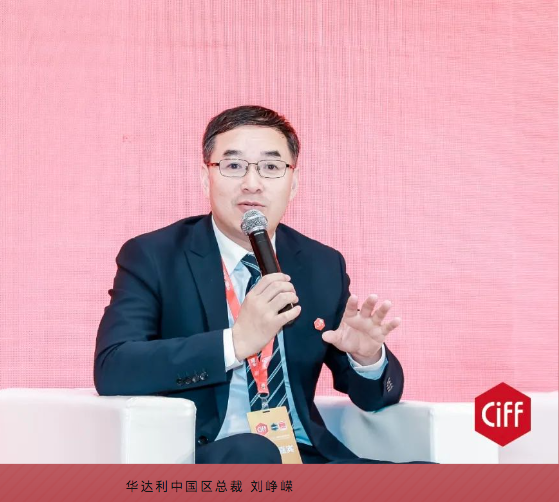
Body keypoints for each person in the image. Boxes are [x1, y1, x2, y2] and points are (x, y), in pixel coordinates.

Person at [94, 105, 408, 464]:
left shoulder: (321, 264)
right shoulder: (154, 256)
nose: (252, 183)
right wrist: (236, 342)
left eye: (271, 167)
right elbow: (113, 368)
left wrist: (366, 358)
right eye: (233, 166)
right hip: (214, 459)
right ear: (205, 178)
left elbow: (375, 398)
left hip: (305, 458)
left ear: (294, 183)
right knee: (254, 453)